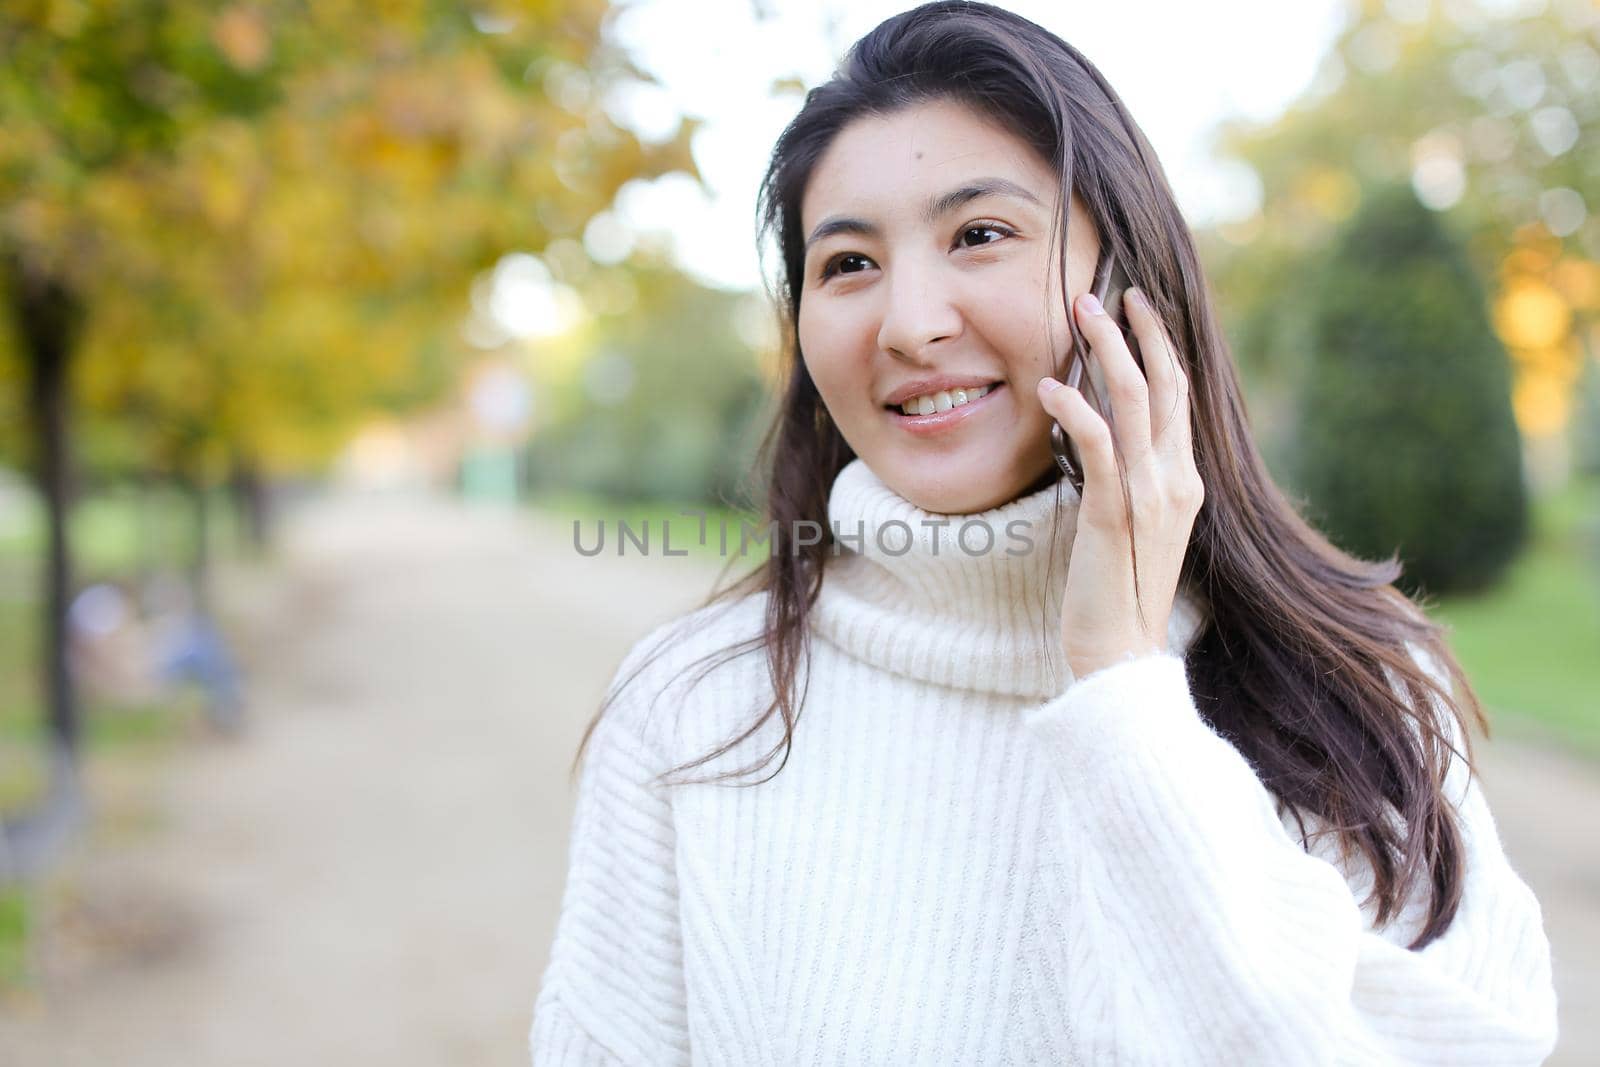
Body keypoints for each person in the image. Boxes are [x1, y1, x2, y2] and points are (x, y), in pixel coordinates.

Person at [528, 3, 1560, 1064]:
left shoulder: (1359, 684)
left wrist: (1121, 688)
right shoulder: (693, 707)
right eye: (846, 264)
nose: (909, 323)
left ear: (1129, 286)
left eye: (980, 235)